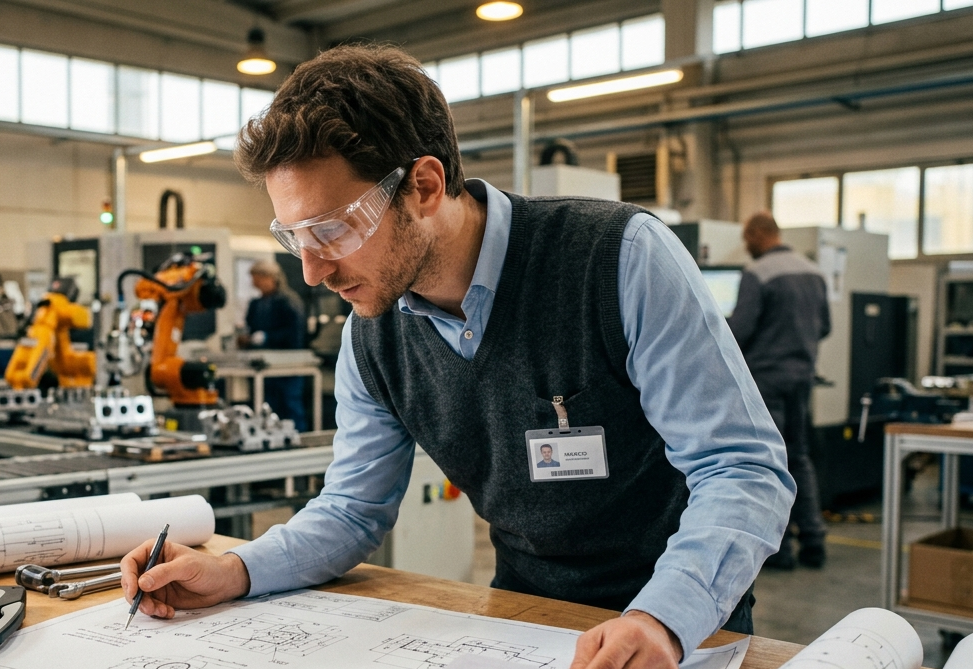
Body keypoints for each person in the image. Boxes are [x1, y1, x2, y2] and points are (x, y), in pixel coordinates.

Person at [120, 44, 794, 669]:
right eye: (293, 236)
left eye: (331, 229)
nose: (311, 271)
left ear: (424, 185)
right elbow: (354, 507)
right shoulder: (373, 333)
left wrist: (661, 619)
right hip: (524, 618)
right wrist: (236, 570)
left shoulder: (616, 259)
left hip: (684, 625)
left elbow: (743, 469)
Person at [727, 211, 831, 570]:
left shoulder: (758, 274)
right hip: (801, 377)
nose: (745, 245)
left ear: (759, 233)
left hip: (765, 380)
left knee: (771, 461)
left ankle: (781, 550)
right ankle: (814, 541)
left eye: (747, 237)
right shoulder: (813, 270)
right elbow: (826, 326)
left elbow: (738, 330)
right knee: (799, 456)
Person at [241, 259, 308, 431]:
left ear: (270, 277)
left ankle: (298, 443)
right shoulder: (256, 304)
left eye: (257, 278)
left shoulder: (288, 301)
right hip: (264, 365)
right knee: (268, 407)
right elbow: (251, 326)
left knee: (290, 405)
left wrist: (267, 337)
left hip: (289, 365)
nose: (254, 283)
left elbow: (296, 334)